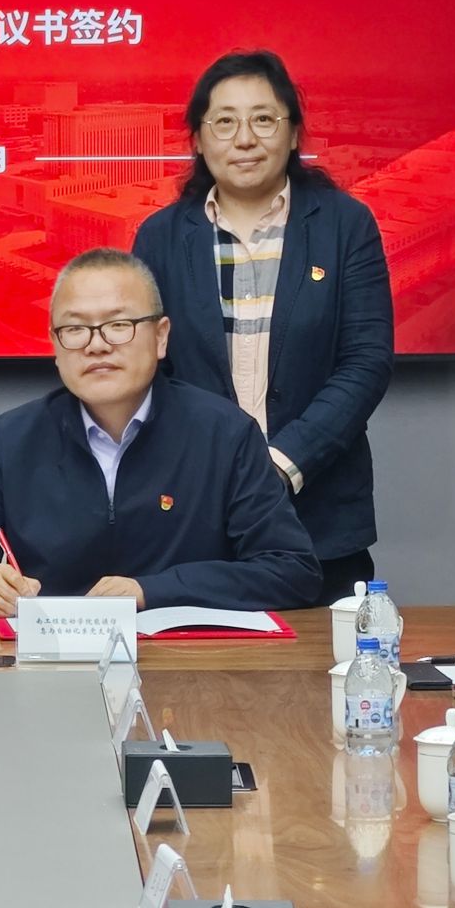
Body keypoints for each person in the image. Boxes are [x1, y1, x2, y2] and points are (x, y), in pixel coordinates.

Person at [0, 249, 321, 618]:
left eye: (118, 324)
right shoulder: (13, 439)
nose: (97, 345)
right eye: (75, 329)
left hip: (189, 668)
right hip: (53, 667)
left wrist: (150, 592)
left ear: (160, 337)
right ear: (55, 346)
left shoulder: (224, 433)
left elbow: (291, 570)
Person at [132, 50, 394, 604]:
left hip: (321, 517)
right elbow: (147, 370)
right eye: (224, 122)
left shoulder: (345, 225)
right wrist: (210, 471)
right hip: (194, 512)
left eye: (264, 119)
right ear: (198, 139)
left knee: (325, 656)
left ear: (293, 133)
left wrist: (279, 464)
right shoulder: (159, 237)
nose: (245, 139)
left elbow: (365, 363)